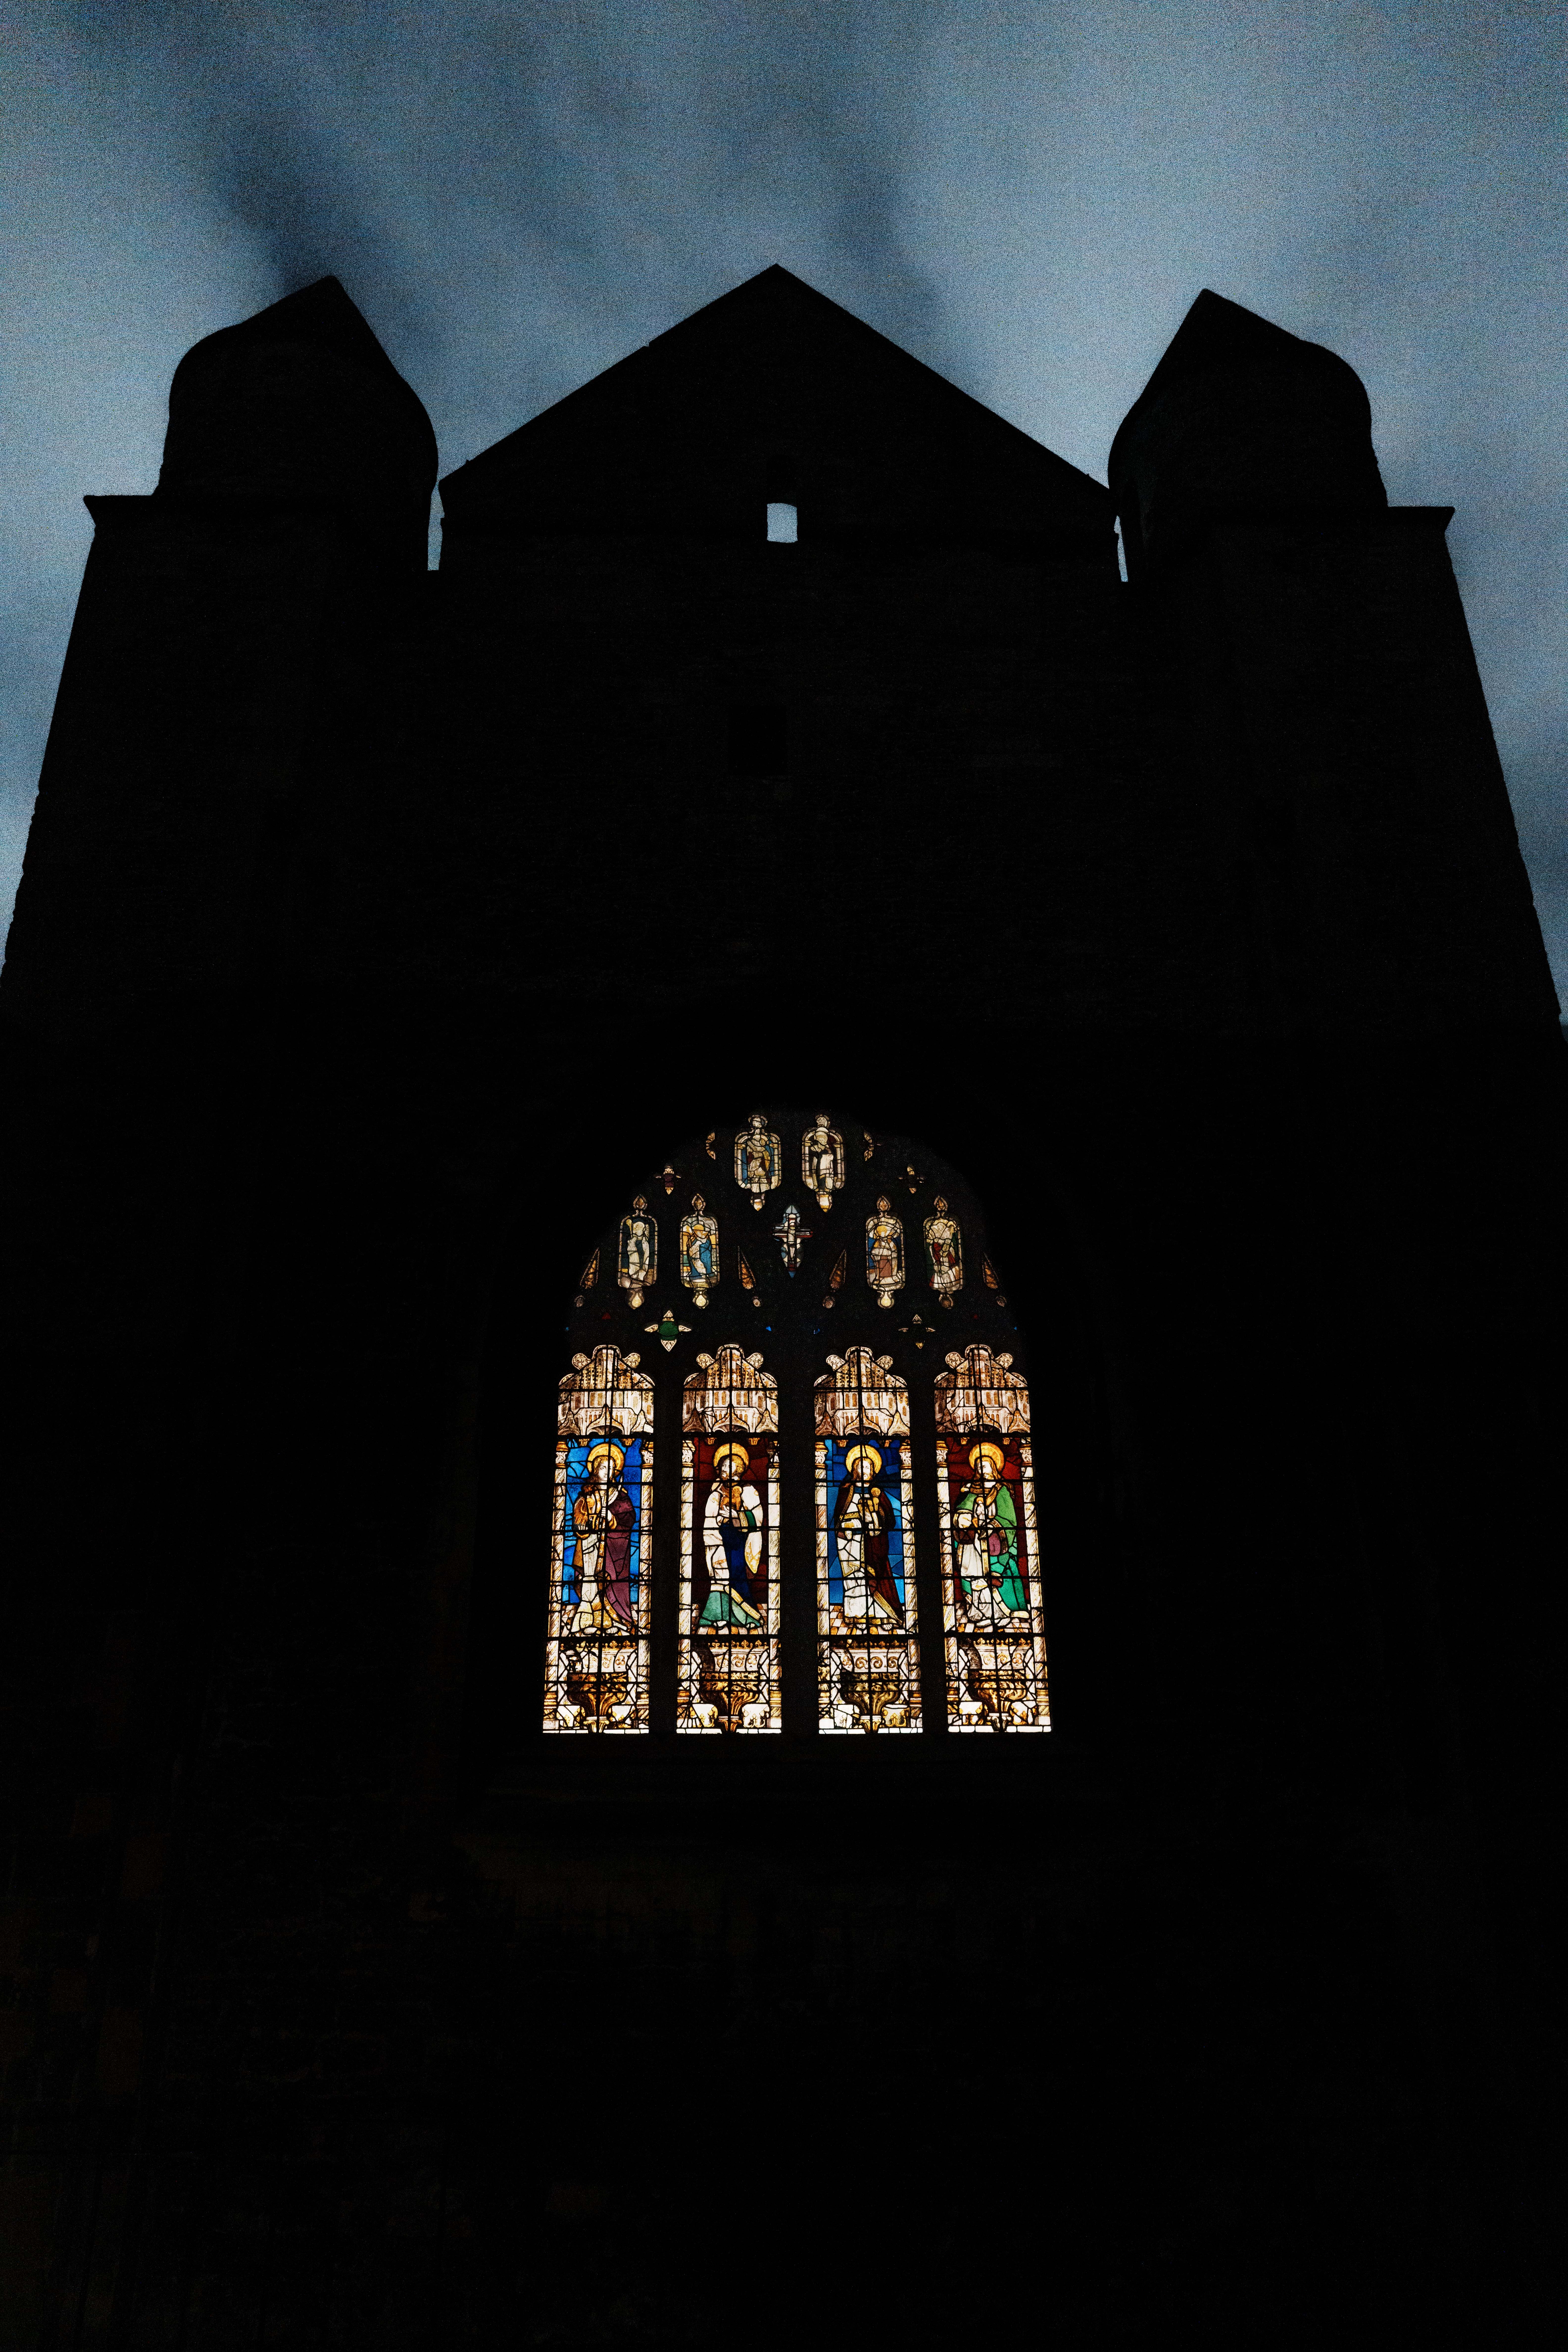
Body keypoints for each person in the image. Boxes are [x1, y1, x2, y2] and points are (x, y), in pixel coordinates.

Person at [951, 1441, 1026, 1627]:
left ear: (992, 1466)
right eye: (978, 1466)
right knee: (973, 1573)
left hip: (996, 1543)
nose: (981, 1469)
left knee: (999, 1570)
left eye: (984, 1466)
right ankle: (978, 1611)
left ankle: (1002, 1612)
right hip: (974, 1542)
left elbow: (1010, 1521)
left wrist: (993, 1526)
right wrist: (962, 1520)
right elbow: (962, 1511)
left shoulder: (1002, 1490)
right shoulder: (970, 1489)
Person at [570, 1441, 638, 1631]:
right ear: (595, 1470)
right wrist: (586, 1520)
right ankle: (587, 1611)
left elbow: (630, 1518)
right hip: (589, 1545)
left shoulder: (620, 1495)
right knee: (589, 1577)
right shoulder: (587, 1494)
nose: (607, 1472)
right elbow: (579, 1520)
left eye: (611, 1468)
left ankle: (608, 1614)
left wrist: (612, 1518)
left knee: (608, 1578)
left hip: (612, 1549)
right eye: (603, 1468)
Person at [833, 1443, 902, 1622]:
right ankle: (855, 1614)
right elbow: (838, 1517)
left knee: (876, 1576)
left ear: (873, 1469)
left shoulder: (878, 1493)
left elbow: (890, 1520)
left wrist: (875, 1519)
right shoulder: (846, 1489)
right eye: (860, 1466)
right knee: (854, 1578)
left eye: (867, 1466)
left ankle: (879, 1614)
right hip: (850, 1542)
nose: (864, 1469)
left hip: (873, 1541)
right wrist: (846, 1528)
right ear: (854, 1468)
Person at [699, 1441, 765, 1629]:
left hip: (740, 1542)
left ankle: (747, 1617)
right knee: (719, 1576)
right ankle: (718, 1615)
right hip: (719, 1540)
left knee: (737, 1576)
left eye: (730, 1466)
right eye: (723, 1467)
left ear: (739, 1469)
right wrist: (719, 1521)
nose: (725, 1470)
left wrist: (737, 1516)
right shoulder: (715, 1494)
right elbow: (709, 1520)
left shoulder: (749, 1491)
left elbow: (758, 1518)